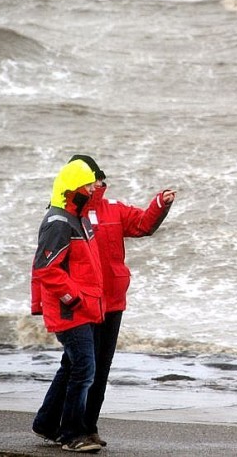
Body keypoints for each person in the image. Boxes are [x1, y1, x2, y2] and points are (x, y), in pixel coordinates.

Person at [33, 154, 176, 448]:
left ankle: (59, 423)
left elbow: (143, 225)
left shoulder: (113, 210)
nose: (98, 183)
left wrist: (160, 205)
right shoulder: (69, 218)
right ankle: (77, 429)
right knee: (83, 367)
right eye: (93, 179)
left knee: (89, 366)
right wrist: (55, 302)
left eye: (98, 178)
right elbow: (48, 266)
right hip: (82, 304)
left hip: (111, 302)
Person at [30, 159, 104, 453]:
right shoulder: (59, 221)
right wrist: (74, 298)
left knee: (72, 366)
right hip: (69, 310)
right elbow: (46, 269)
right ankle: (73, 434)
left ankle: (46, 424)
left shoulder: (79, 218)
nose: (93, 189)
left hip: (82, 309)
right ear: (74, 188)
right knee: (84, 368)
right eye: (88, 185)